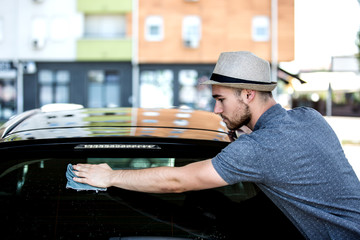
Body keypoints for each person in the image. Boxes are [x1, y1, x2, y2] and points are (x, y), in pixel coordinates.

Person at [73, 51, 360, 239]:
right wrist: (246, 131)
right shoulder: (310, 118)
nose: (216, 109)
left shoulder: (260, 149)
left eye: (221, 99)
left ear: (248, 94)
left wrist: (109, 176)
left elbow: (177, 181)